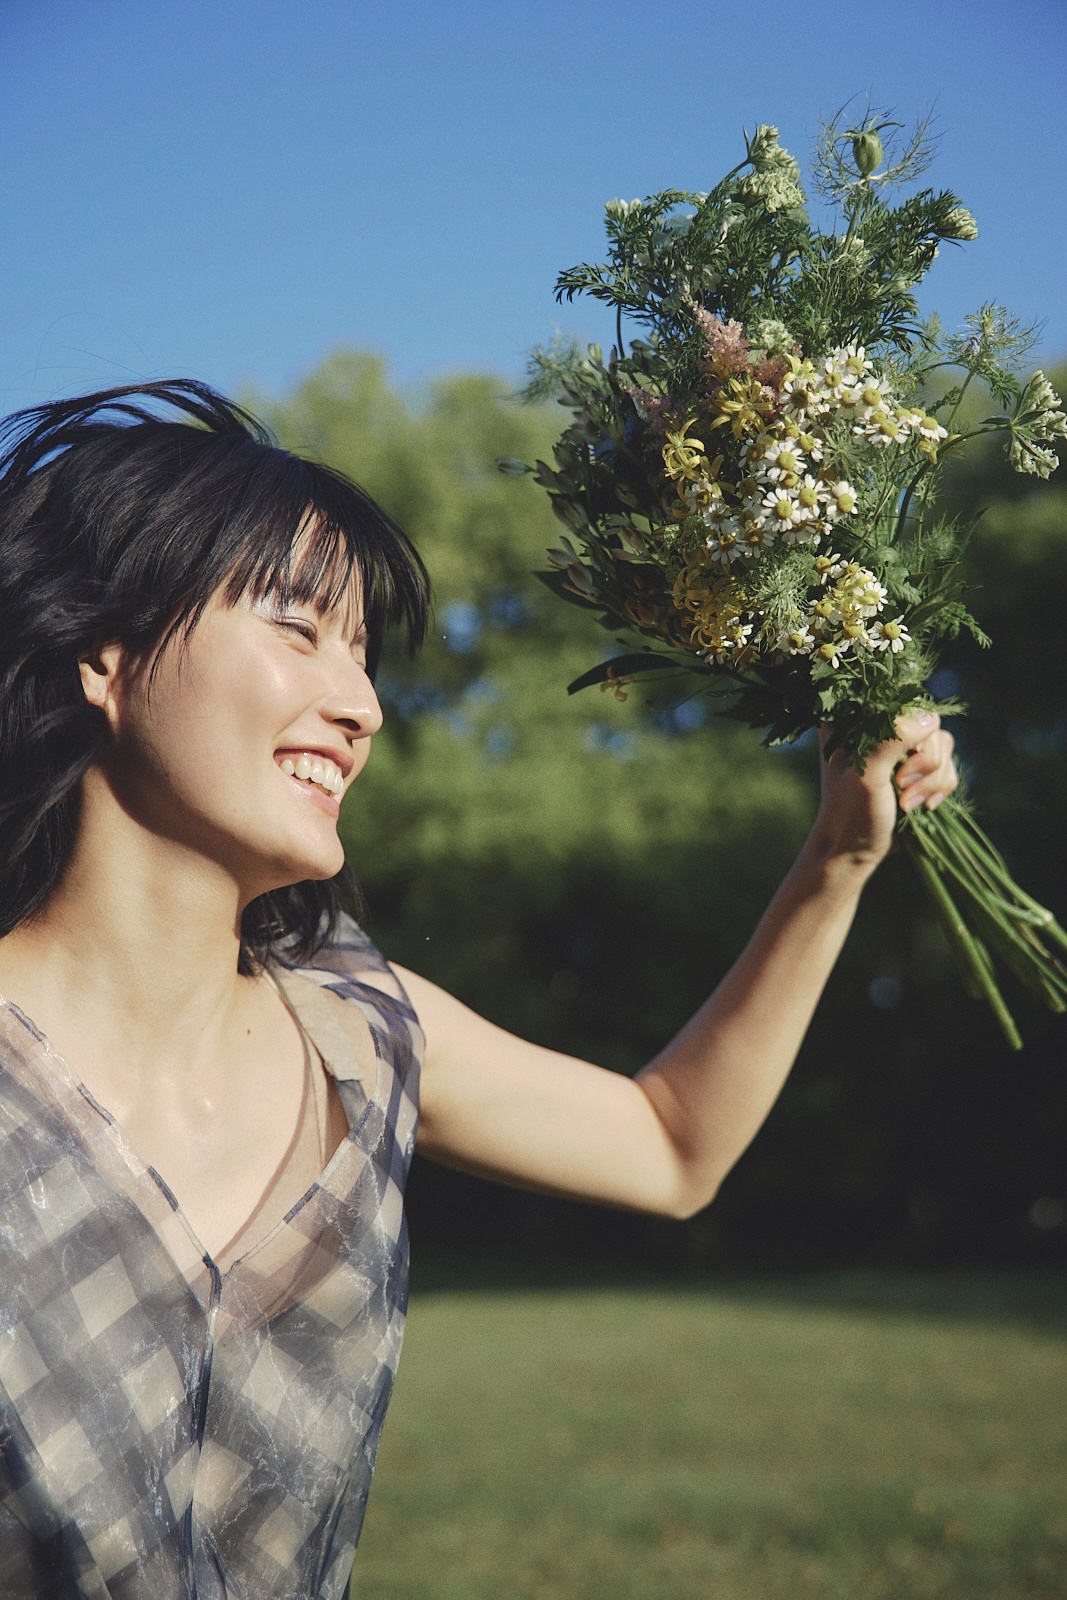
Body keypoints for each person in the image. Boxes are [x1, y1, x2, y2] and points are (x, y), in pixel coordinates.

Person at [0, 380, 957, 1597]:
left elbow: (670, 1148)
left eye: (362, 654)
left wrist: (838, 855)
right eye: (298, 630)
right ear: (105, 654)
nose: (360, 707)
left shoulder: (362, 1029)